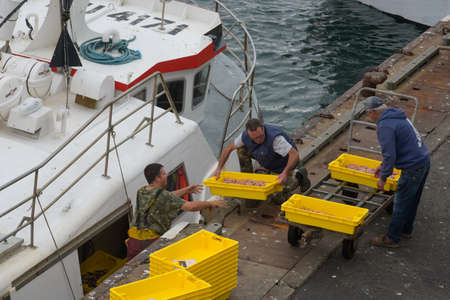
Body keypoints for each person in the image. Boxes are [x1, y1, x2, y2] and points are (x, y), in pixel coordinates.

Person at [363, 96, 430, 248]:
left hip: (412, 167)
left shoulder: (385, 126)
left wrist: (383, 178)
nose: (367, 116)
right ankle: (406, 229)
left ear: (373, 112)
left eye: (367, 113)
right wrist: (383, 165)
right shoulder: (398, 115)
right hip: (423, 160)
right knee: (412, 200)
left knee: (400, 203)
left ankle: (392, 238)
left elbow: (389, 155)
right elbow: (399, 146)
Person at [127, 163, 227, 260]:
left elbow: (165, 197)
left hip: (133, 242)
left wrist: (186, 190)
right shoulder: (163, 195)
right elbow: (190, 207)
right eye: (164, 173)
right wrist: (210, 203)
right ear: (157, 178)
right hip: (149, 242)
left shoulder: (142, 191)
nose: (166, 175)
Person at [214, 118, 311, 204]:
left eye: (261, 136)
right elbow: (228, 148)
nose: (259, 140)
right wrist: (219, 168)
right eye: (255, 138)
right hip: (268, 159)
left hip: (284, 165)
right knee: (241, 150)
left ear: (263, 128)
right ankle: (247, 180)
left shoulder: (275, 138)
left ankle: (300, 175)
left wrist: (285, 172)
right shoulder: (245, 136)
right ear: (249, 133)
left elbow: (294, 155)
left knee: (277, 198)